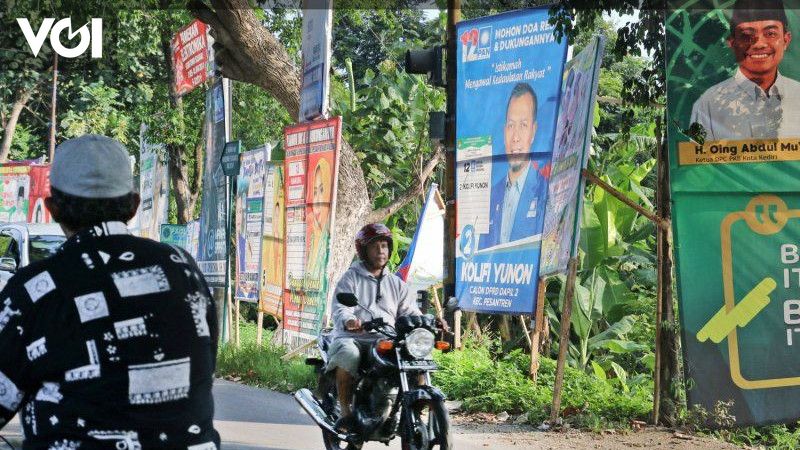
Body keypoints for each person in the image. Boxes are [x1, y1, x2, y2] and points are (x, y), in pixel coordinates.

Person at [0, 135, 220, 449]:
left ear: (52, 208)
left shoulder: (37, 290)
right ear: (132, 206)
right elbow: (205, 365)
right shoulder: (182, 269)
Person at [327, 223, 421, 432]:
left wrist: (429, 321)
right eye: (375, 246)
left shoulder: (396, 283)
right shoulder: (351, 277)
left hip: (384, 337)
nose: (381, 251)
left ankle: (411, 408)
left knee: (413, 357)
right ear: (364, 251)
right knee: (349, 354)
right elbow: (341, 307)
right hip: (353, 336)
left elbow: (410, 311)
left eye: (384, 246)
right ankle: (346, 413)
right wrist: (350, 320)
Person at [691, 0, 800, 141]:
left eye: (770, 33)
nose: (759, 44)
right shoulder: (709, 105)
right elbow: (697, 160)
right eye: (747, 35)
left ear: (786, 40)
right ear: (732, 43)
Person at [480, 82, 548, 249]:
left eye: (523, 125)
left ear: (533, 131)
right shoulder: (490, 195)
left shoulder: (544, 190)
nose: (515, 137)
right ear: (504, 131)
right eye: (511, 126)